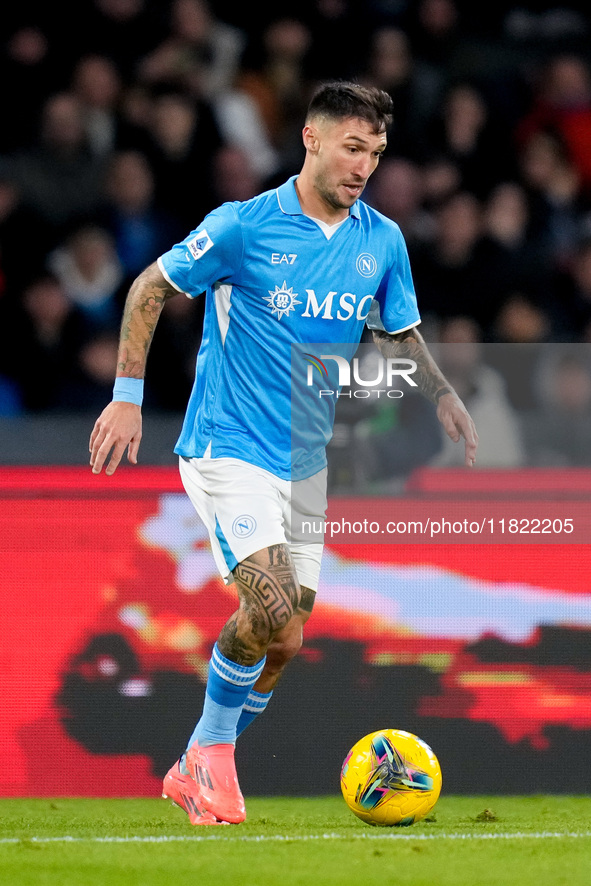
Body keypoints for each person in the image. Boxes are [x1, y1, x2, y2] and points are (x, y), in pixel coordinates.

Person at [89, 81, 478, 826]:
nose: (363, 164)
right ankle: (210, 757)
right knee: (265, 607)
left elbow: (395, 331)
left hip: (304, 465)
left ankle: (192, 762)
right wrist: (127, 397)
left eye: (376, 151)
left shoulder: (381, 241)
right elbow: (147, 289)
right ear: (311, 139)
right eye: (352, 147)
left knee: (287, 636)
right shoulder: (242, 227)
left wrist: (439, 394)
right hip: (226, 446)